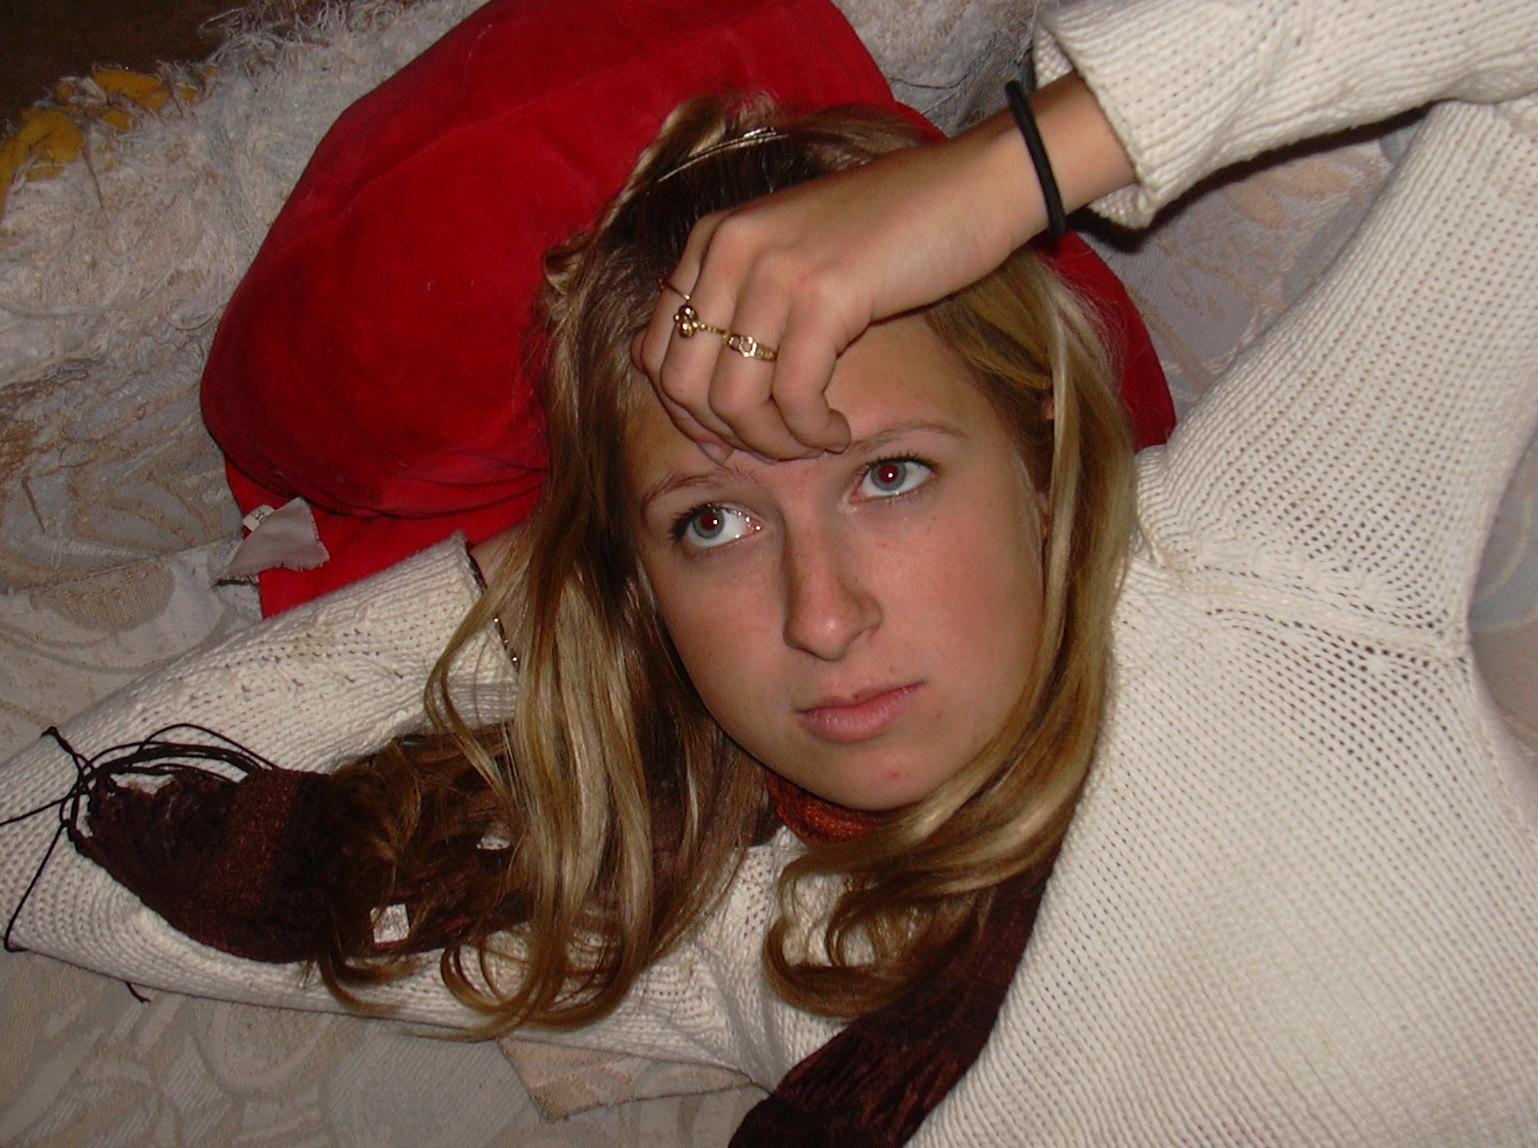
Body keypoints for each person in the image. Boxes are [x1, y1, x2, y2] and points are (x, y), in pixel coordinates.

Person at [3, 0, 1537, 1143]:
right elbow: (43, 850)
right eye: (715, 527)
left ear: (1040, 463)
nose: (821, 619)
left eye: (889, 474)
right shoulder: (732, 922)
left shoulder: (1265, 579)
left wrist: (1015, 172)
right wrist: (570, 572)